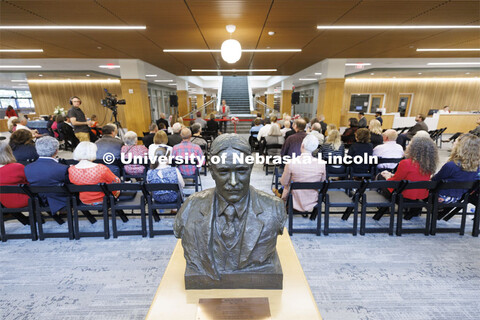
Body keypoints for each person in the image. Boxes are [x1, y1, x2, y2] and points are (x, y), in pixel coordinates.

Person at [173, 134, 286, 287]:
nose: (233, 182)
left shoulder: (274, 207)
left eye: (241, 171)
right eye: (224, 171)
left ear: (251, 168)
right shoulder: (190, 207)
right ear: (212, 171)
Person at [380, 136, 438, 202]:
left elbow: (395, 181)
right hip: (421, 195)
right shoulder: (429, 164)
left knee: (381, 178)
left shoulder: (406, 163)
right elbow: (415, 177)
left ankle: (384, 207)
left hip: (402, 195)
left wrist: (387, 177)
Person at [280, 134, 326, 217]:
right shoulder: (322, 164)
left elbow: (283, 182)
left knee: (284, 188)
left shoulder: (291, 162)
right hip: (313, 199)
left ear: (302, 145)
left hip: (295, 199)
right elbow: (322, 182)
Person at [24, 136, 69, 215]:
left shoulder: (27, 168)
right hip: (61, 201)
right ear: (56, 151)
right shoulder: (63, 168)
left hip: (39, 200)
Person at [432, 134, 480, 203]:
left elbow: (435, 180)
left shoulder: (452, 165)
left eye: (455, 142)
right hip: (460, 198)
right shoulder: (477, 167)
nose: (453, 143)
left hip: (440, 198)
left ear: (460, 147)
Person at [0, 141, 29, 210]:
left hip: (4, 202)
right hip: (25, 200)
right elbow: (29, 181)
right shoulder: (17, 167)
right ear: (9, 152)